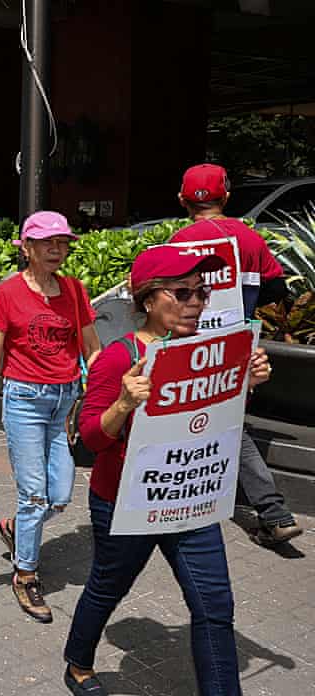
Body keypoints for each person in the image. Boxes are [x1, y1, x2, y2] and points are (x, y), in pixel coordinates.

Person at [62, 245, 269, 696]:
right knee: (106, 587)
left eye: (202, 292)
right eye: (182, 292)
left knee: (215, 607)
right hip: (125, 504)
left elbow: (217, 422)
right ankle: (77, 662)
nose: (196, 302)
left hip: (192, 500)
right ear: (148, 300)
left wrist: (244, 384)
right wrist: (124, 402)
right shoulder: (119, 357)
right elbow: (91, 439)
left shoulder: (211, 350)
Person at [0, 210, 102, 623]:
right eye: (48, 242)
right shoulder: (6, 294)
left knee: (62, 495)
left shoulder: (73, 291)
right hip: (25, 402)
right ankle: (26, 574)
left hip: (64, 402)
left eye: (63, 242)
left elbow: (93, 350)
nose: (57, 249)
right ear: (28, 248)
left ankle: (17, 528)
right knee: (35, 495)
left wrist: (115, 389)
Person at [168, 163, 302, 547]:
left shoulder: (180, 240)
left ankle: (274, 513)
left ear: (182, 200)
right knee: (222, 423)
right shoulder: (250, 239)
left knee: (220, 426)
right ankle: (268, 513)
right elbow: (276, 290)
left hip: (189, 348)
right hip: (237, 347)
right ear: (226, 197)